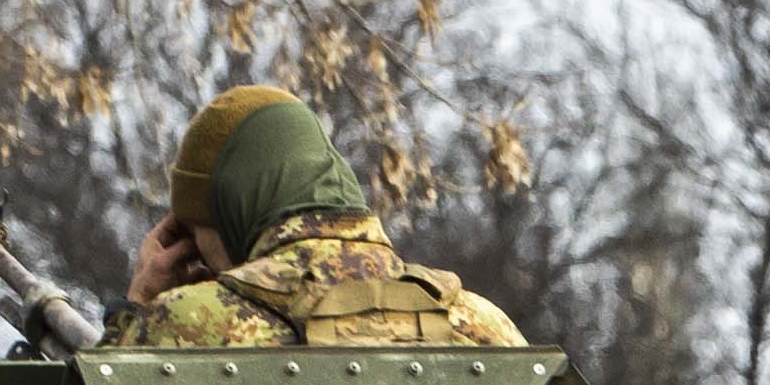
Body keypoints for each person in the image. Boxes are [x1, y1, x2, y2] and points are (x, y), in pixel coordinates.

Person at [103, 84, 525, 350]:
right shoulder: (480, 323)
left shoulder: (187, 324)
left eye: (196, 234)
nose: (200, 256)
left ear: (230, 216)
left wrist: (136, 307)